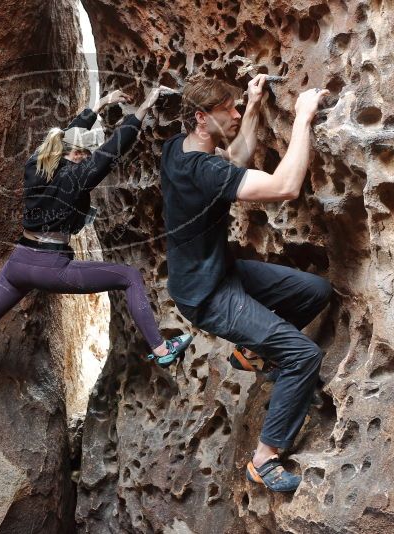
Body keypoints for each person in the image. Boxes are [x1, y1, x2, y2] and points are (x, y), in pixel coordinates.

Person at [0, 87, 193, 405]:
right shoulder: (79, 176)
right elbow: (115, 148)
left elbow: (67, 134)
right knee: (129, 277)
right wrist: (145, 106)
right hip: (52, 268)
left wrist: (102, 104)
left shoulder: (34, 166)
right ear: (76, 152)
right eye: (83, 151)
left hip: (18, 264)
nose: (86, 154)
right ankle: (162, 350)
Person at [159, 73, 332, 492]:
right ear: (202, 119)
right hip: (208, 295)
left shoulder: (177, 149)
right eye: (228, 110)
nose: (235, 114)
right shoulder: (201, 169)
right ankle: (265, 459)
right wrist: (303, 119)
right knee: (303, 355)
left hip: (220, 270)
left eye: (237, 107)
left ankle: (254, 351)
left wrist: (253, 107)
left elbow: (233, 161)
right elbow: (285, 187)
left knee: (317, 291)